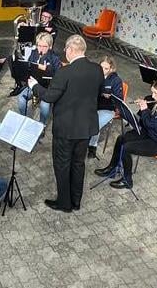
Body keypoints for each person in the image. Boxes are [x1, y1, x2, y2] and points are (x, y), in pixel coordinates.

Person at [28, 34, 104, 213]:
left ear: (70, 49)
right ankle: (76, 201)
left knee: (62, 165)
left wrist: (34, 86)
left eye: (65, 50)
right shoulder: (97, 69)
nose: (65, 53)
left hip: (66, 128)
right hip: (86, 127)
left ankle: (64, 203)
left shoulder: (64, 72)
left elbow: (49, 97)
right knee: (78, 164)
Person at [94, 78, 157, 189]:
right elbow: (150, 121)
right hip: (152, 133)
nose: (153, 96)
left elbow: (150, 123)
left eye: (155, 93)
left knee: (126, 148)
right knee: (121, 139)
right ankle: (112, 169)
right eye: (152, 92)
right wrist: (145, 105)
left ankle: (127, 180)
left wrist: (144, 109)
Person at [17, 32, 62, 131]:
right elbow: (28, 67)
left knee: (44, 105)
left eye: (44, 46)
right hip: (33, 84)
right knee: (21, 99)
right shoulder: (34, 53)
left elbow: (58, 76)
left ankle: (42, 125)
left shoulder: (55, 58)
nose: (41, 49)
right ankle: (23, 119)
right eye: (39, 46)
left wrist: (47, 69)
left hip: (47, 88)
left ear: (50, 46)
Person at [88, 55, 124, 159]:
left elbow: (119, 100)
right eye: (101, 67)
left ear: (111, 69)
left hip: (108, 108)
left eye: (106, 68)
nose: (102, 70)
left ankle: (92, 146)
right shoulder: (94, 75)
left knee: (95, 123)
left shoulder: (116, 80)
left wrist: (110, 96)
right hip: (94, 104)